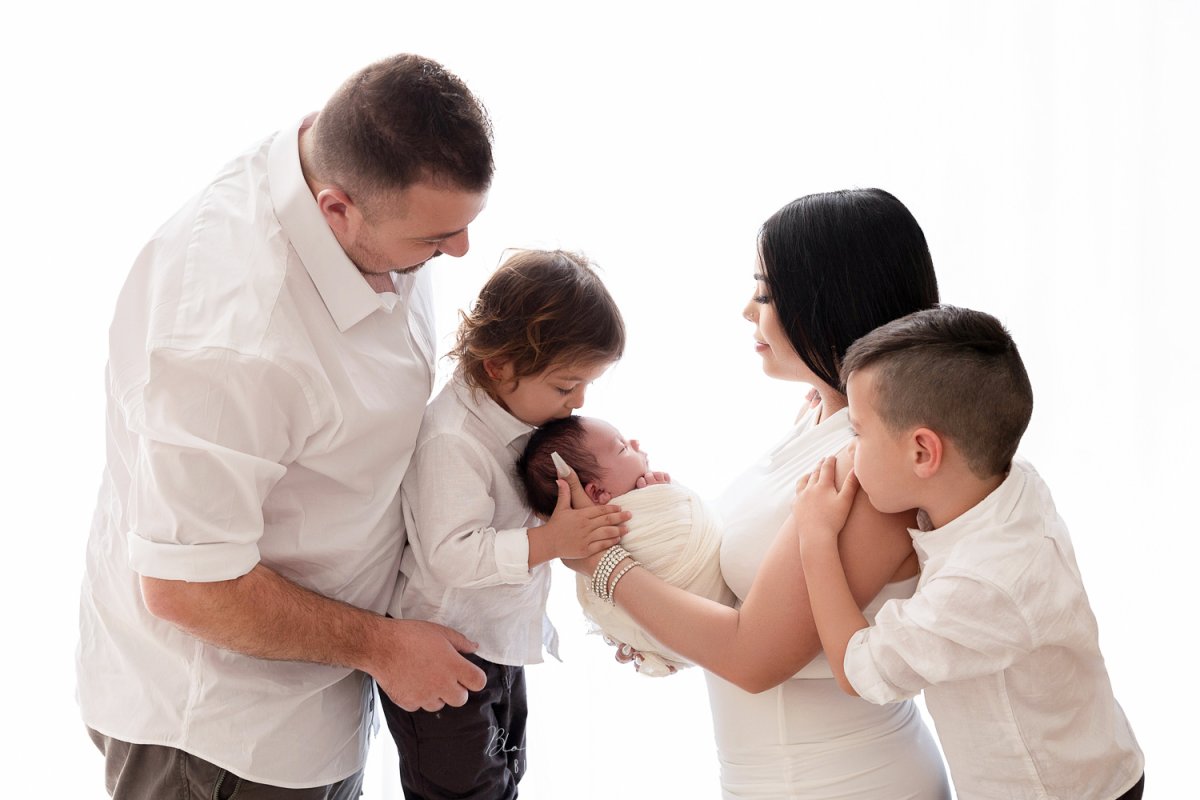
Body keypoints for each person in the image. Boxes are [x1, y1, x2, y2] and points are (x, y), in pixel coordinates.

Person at [76, 54, 495, 799]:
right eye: (436, 240)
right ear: (337, 209)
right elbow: (185, 587)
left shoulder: (361, 180)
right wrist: (385, 647)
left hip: (323, 704)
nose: (459, 251)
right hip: (219, 742)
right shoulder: (226, 335)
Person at [561, 188, 952, 798]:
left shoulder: (873, 468)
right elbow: (752, 603)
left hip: (845, 782)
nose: (748, 310)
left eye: (767, 293)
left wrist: (603, 567)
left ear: (833, 303)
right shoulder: (818, 417)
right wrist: (648, 626)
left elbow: (754, 658)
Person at [792, 305, 1145, 800]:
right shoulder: (1003, 479)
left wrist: (815, 538)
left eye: (856, 432)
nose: (848, 450)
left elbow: (860, 669)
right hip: (1099, 755)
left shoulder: (981, 584)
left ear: (923, 453)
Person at [382, 249, 631, 799]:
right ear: (500, 366)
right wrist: (550, 540)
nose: (580, 401)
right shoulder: (455, 438)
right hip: (445, 651)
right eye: (567, 386)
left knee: (505, 778)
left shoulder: (530, 419)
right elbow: (451, 555)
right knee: (463, 791)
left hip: (497, 643)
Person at [519, 415, 735, 677]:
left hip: (699, 635)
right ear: (597, 493)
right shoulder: (609, 532)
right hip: (706, 633)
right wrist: (666, 497)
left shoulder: (587, 551)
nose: (634, 442)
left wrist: (664, 498)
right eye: (623, 448)